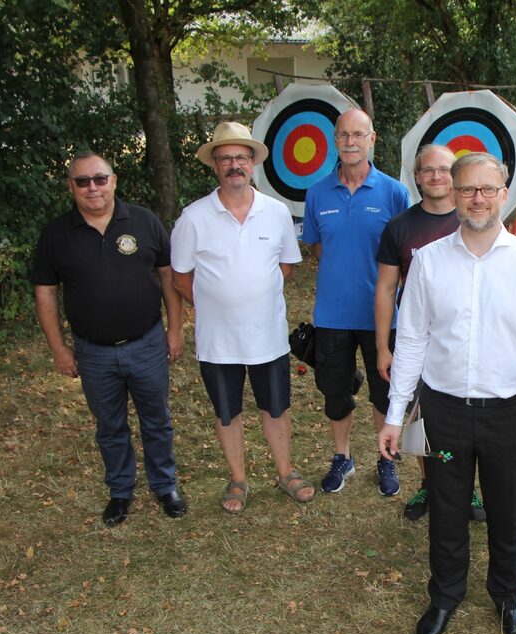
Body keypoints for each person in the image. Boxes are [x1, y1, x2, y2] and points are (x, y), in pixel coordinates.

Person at [377, 153, 516, 634]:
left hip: (508, 412)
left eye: (488, 189)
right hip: (444, 413)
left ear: (504, 194)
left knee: (507, 510)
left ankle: (509, 598)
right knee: (446, 506)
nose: (478, 198)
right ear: (453, 194)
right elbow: (413, 341)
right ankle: (444, 595)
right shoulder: (428, 261)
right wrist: (395, 416)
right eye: (468, 190)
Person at [31, 151, 186, 527]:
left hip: (147, 343)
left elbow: (169, 276)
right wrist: (59, 349)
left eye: (99, 179)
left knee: (157, 420)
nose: (92, 188)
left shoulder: (145, 221)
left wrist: (175, 328)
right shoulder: (56, 234)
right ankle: (120, 492)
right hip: (93, 352)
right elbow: (46, 294)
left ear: (114, 180)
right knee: (110, 426)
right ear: (71, 187)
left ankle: (165, 486)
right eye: (82, 181)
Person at [171, 121, 311, 514]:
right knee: (227, 410)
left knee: (276, 407)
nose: (234, 165)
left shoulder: (277, 212)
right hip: (218, 340)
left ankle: (286, 473)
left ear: (252, 163)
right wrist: (218, 300)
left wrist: (251, 294)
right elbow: (180, 277)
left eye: (241, 158)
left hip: (267, 335)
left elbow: (285, 266)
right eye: (225, 158)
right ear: (214, 166)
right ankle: (237, 480)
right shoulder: (194, 217)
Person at [374, 144, 485, 522]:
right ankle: (429, 480)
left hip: (464, 343)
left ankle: (467, 489)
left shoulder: (473, 218)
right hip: (419, 340)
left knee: (467, 419)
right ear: (416, 177)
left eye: (444, 170)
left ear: (455, 179)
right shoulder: (400, 227)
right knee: (421, 419)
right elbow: (388, 289)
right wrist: (382, 346)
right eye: (428, 170)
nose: (436, 176)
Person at [303, 109, 410, 496]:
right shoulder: (317, 193)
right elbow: (318, 247)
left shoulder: (394, 193)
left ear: (372, 139)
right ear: (335, 140)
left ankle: (386, 459)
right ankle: (342, 456)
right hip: (332, 315)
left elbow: (404, 251)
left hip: (384, 317)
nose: (350, 141)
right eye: (343, 135)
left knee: (385, 393)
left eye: (358, 134)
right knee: (334, 390)